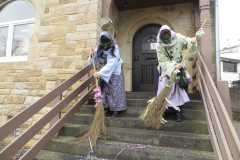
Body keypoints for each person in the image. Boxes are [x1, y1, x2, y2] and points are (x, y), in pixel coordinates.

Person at [156, 25, 197, 122]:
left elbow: (186, 41)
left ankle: (178, 112)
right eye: (164, 39)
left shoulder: (178, 37)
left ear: (171, 35)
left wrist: (192, 41)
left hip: (179, 68)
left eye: (167, 38)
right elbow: (162, 61)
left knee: (178, 91)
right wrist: (174, 66)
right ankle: (163, 111)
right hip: (167, 70)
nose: (166, 41)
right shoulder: (159, 45)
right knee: (165, 91)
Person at [88, 31, 127, 117]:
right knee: (105, 90)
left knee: (115, 90)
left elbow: (111, 64)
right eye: (104, 43)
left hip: (114, 71)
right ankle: (106, 108)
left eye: (107, 42)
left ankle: (116, 110)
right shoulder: (99, 47)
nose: (106, 45)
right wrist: (92, 55)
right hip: (103, 71)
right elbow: (94, 61)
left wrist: (100, 73)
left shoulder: (114, 47)